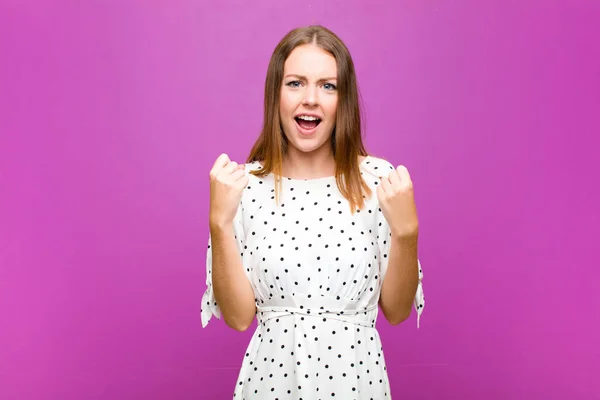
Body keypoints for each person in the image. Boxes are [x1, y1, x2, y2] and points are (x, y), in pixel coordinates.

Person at [201, 25, 425, 399]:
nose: (310, 99)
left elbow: (398, 310)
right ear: (276, 94)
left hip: (357, 385)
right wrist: (219, 222)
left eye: (328, 86)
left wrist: (407, 232)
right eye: (295, 83)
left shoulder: (379, 181)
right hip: (269, 386)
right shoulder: (243, 186)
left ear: (345, 99)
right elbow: (240, 318)